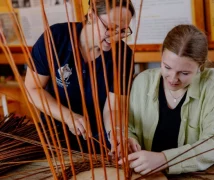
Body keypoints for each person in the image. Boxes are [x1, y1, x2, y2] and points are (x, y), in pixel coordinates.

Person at [120, 25, 214, 175]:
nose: (173, 78)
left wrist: (164, 160)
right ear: (161, 57)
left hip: (198, 176)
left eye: (184, 73)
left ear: (200, 66)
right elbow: (129, 127)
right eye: (167, 67)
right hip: (149, 176)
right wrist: (129, 140)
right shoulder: (142, 82)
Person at [24, 0, 135, 153]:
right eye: (110, 28)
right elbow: (33, 88)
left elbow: (114, 108)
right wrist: (68, 117)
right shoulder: (55, 38)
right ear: (91, 15)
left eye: (122, 31)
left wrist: (115, 133)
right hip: (54, 137)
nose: (116, 37)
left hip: (98, 140)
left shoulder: (124, 56)